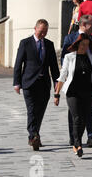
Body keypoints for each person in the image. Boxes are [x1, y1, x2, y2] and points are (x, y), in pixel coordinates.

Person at [13, 19, 59, 151]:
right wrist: (17, 82)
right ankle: (33, 135)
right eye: (41, 31)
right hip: (29, 82)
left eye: (45, 31)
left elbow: (54, 66)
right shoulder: (25, 43)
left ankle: (34, 135)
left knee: (40, 111)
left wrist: (57, 82)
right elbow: (18, 63)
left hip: (44, 83)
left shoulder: (49, 45)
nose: (43, 34)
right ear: (35, 28)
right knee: (32, 110)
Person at [54, 34, 92, 158]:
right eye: (83, 44)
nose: (85, 47)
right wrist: (56, 94)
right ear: (78, 44)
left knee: (83, 119)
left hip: (87, 91)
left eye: (87, 45)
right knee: (77, 117)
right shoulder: (69, 57)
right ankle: (77, 144)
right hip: (73, 92)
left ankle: (77, 141)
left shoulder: (91, 57)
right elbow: (62, 76)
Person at [61, 14, 92, 148]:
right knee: (75, 112)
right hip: (75, 80)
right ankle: (74, 138)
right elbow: (64, 58)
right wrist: (65, 76)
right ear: (83, 25)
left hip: (89, 79)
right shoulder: (70, 38)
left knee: (90, 109)